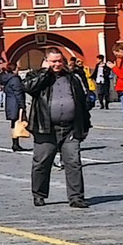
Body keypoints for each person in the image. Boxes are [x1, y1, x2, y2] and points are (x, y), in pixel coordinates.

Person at [24, 46, 94, 209]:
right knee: (42, 162)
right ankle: (39, 194)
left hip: (70, 128)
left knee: (73, 162)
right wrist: (44, 72)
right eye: (53, 61)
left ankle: (76, 197)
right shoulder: (37, 76)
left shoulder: (72, 78)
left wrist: (84, 125)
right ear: (47, 61)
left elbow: (81, 103)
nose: (57, 64)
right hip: (45, 128)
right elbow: (28, 87)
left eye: (59, 61)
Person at [1, 62, 28, 152]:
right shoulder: (15, 79)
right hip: (15, 103)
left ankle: (15, 143)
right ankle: (15, 144)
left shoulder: (6, 79)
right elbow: (18, 92)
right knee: (17, 122)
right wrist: (22, 105)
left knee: (14, 123)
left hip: (10, 102)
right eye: (17, 68)